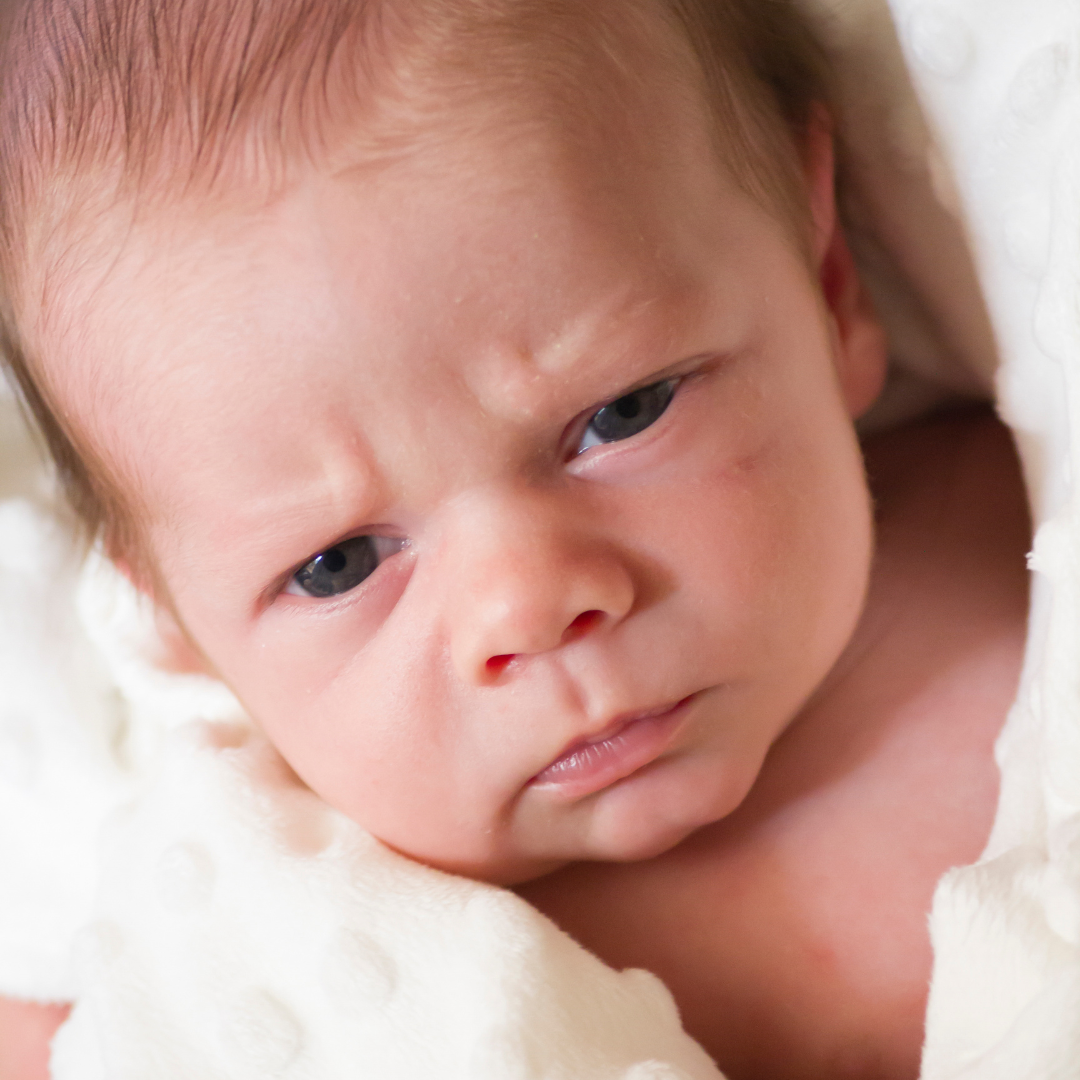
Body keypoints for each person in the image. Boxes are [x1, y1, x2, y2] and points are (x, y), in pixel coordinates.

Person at [0, 0, 1030, 1077]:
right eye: (337, 565)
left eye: (624, 413)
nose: (529, 606)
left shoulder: (1019, 544)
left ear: (827, 286)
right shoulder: (215, 932)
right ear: (177, 630)